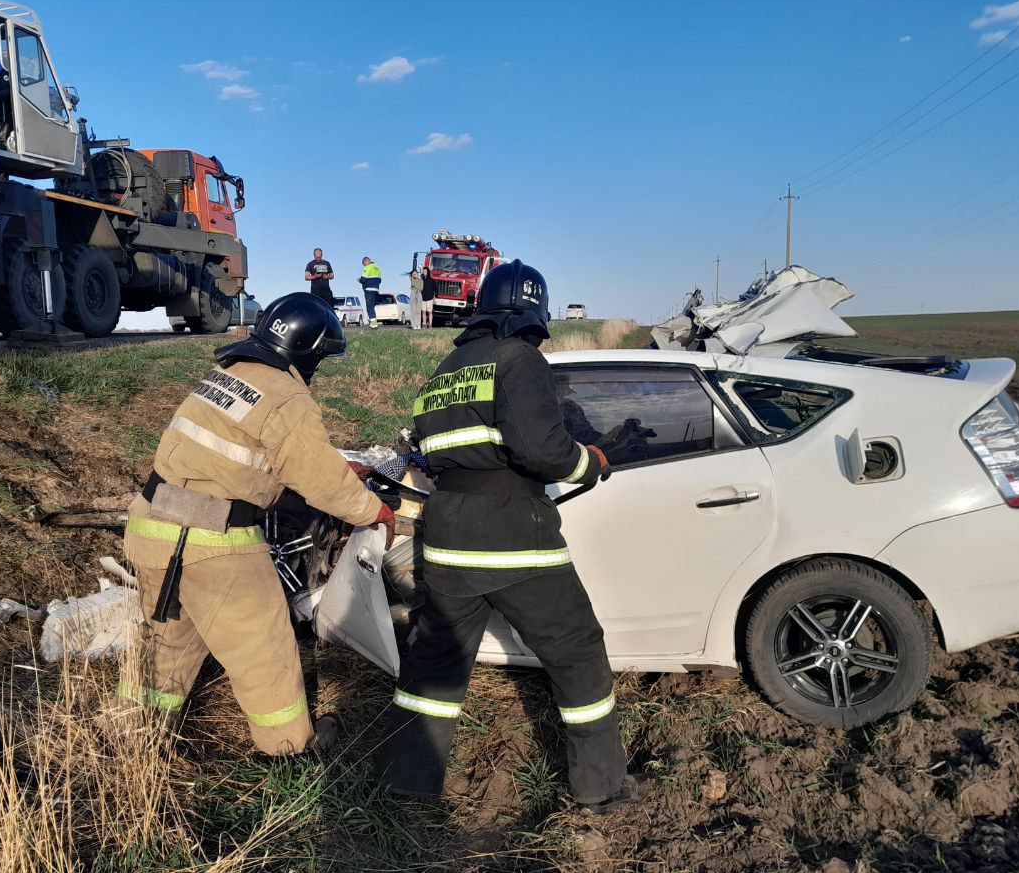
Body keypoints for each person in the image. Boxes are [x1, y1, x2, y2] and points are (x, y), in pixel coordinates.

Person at [374, 259, 640, 813]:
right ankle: (601, 784)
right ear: (533, 313)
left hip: (446, 536)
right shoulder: (520, 360)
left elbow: (435, 452)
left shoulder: (444, 371)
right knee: (576, 651)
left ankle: (406, 779)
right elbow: (541, 451)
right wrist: (588, 464)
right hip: (514, 535)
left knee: (436, 659)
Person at [117, 293, 395, 754]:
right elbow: (321, 483)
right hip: (213, 541)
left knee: (169, 639)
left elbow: (242, 456)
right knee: (264, 649)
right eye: (321, 360)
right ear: (306, 352)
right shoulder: (288, 397)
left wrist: (332, 467)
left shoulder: (228, 375)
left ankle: (136, 736)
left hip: (151, 525)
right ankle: (290, 751)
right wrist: (372, 510)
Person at [359, 256, 381, 326]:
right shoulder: (377, 268)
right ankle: (373, 322)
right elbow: (379, 279)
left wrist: (359, 280)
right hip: (376, 290)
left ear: (366, 261)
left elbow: (363, 279)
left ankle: (373, 324)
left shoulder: (367, 267)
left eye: (364, 264)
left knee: (369, 307)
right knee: (372, 306)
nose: (364, 266)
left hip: (369, 290)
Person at [408, 259, 424, 330]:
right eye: (413, 274)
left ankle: (418, 324)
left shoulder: (420, 280)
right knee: (413, 310)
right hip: (413, 293)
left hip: (419, 294)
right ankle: (413, 324)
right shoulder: (412, 279)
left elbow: (421, 288)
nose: (415, 274)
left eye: (416, 273)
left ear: (418, 274)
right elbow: (413, 285)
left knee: (418, 310)